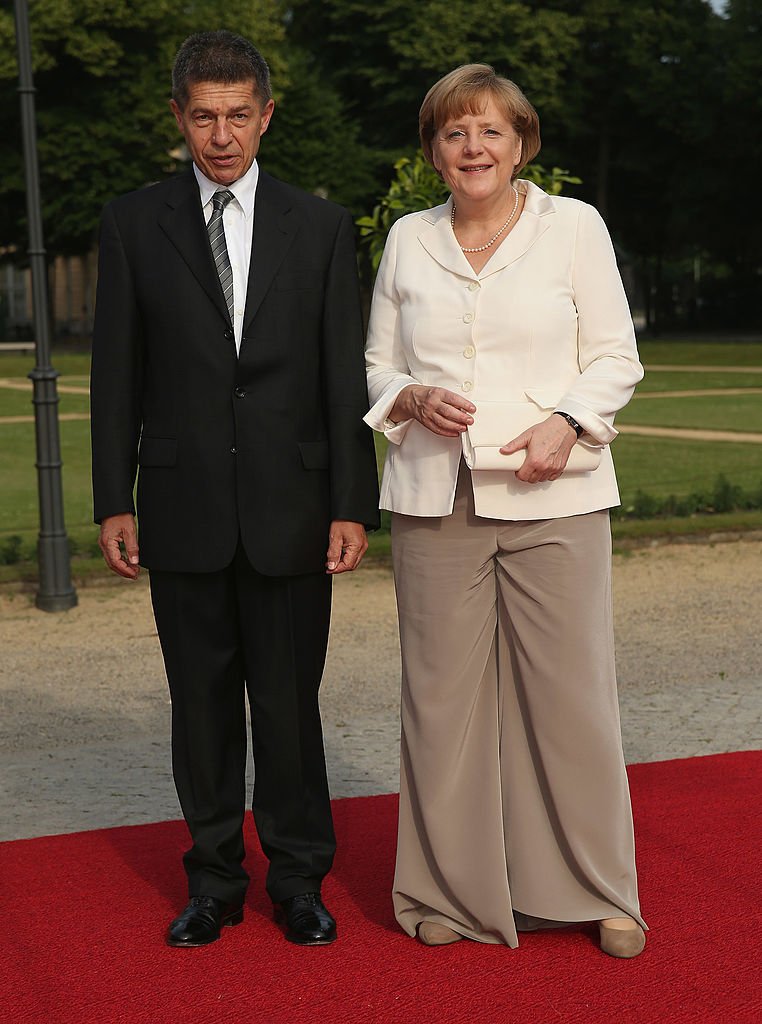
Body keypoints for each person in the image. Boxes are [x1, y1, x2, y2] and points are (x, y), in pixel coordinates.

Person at [90, 30, 379, 949]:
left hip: (295, 511)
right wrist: (113, 498)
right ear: (180, 117)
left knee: (290, 711)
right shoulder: (133, 224)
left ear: (266, 115)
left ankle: (299, 881)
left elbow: (345, 378)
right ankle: (213, 882)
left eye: (238, 116)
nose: (222, 135)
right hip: (180, 511)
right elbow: (114, 376)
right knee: (201, 707)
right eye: (204, 117)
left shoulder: (324, 228)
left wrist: (350, 503)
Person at [364, 64, 647, 958]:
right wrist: (408, 398)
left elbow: (615, 356)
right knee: (441, 706)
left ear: (521, 141)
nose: (472, 147)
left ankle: (601, 891)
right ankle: (448, 893)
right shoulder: (408, 239)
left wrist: (568, 423)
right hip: (434, 498)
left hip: (553, 492)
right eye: (454, 133)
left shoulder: (575, 227)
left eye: (489, 131)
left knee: (571, 702)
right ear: (433, 153)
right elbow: (375, 364)